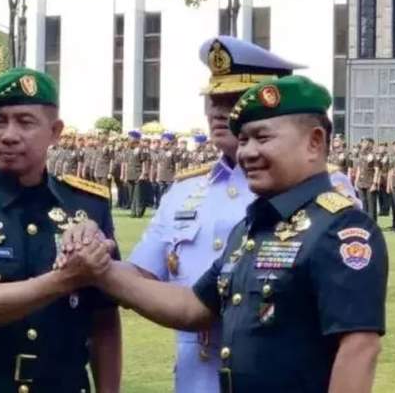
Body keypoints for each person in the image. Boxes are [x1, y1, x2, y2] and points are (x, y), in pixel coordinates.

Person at [59, 75, 387, 393]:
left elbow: (358, 347)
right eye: (243, 140)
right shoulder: (252, 229)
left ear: (314, 142)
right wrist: (98, 269)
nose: (247, 153)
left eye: (263, 137)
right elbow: (192, 307)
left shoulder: (340, 229)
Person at [0, 67, 121, 393]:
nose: (9, 134)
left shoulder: (88, 206)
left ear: (55, 132)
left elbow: (103, 319)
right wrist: (64, 279)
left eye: (25, 122)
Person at [123, 36, 300, 392]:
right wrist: (86, 256)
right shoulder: (186, 190)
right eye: (213, 99)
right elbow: (140, 272)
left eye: (233, 100)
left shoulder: (314, 189)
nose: (218, 111)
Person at [354, 137, 379, 220]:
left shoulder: (374, 155)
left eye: (365, 142)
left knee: (371, 205)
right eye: (363, 142)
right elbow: (359, 169)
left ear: (370, 144)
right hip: (361, 183)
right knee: (362, 204)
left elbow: (377, 170)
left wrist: (374, 184)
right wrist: (356, 181)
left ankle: (372, 223)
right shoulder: (361, 155)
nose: (363, 144)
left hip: (370, 182)